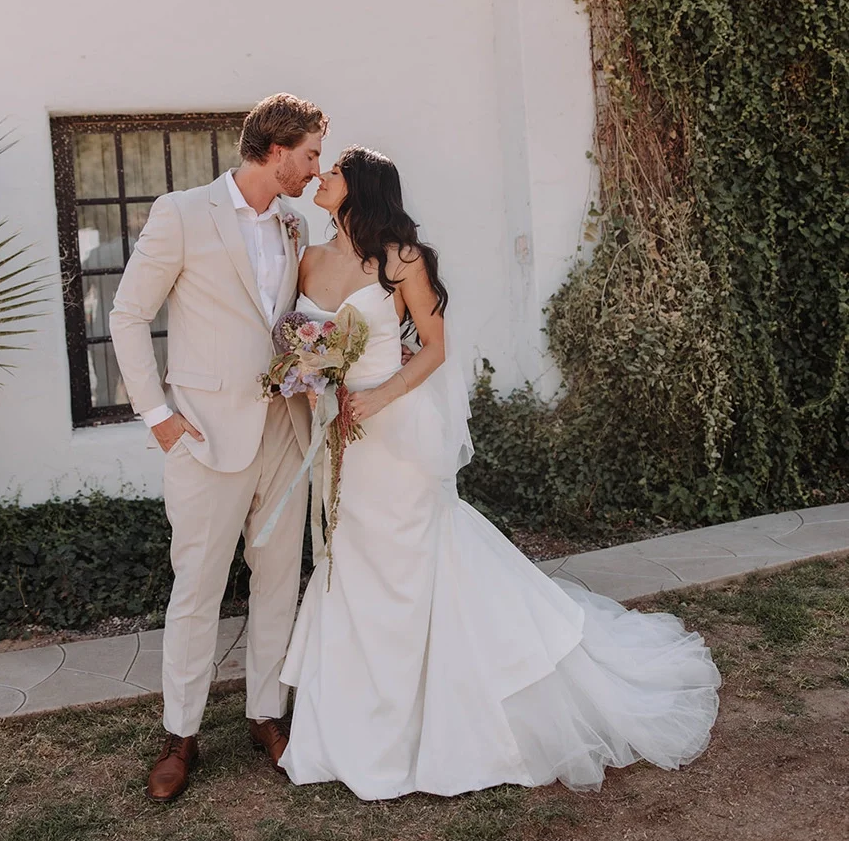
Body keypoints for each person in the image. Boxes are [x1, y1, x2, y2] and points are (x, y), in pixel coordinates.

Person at [278, 146, 721, 800]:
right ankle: (353, 728)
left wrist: (375, 395)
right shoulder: (310, 259)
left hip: (394, 432)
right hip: (344, 444)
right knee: (354, 566)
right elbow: (300, 341)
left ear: (361, 188)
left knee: (411, 566)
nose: (319, 177)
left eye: (332, 171)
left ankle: (439, 721)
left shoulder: (402, 258)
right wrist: (315, 380)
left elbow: (434, 349)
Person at [109, 93, 326, 802]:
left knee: (276, 584)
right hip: (202, 439)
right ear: (275, 149)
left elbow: (287, 321)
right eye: (311, 154)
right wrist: (157, 416)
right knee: (196, 590)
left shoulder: (295, 224)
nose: (315, 169)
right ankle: (181, 734)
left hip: (283, 432)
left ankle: (267, 714)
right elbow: (128, 314)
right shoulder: (181, 213)